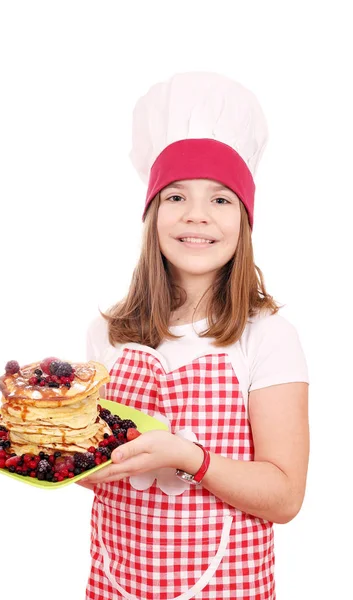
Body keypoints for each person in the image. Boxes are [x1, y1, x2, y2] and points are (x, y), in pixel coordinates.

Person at [80, 72, 309, 600]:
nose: (197, 216)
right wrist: (79, 468)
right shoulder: (107, 334)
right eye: (177, 195)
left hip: (229, 586)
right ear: (153, 214)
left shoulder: (268, 337)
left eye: (222, 200)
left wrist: (189, 457)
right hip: (117, 582)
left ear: (244, 220)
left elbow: (285, 497)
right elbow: (99, 460)